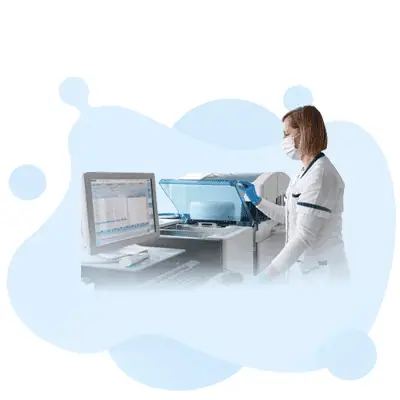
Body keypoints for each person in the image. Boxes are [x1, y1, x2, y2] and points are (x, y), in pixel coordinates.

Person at [239, 105, 349, 282]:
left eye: (287, 134)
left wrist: (267, 275)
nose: (284, 140)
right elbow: (291, 216)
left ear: (304, 133)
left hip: (323, 274)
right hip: (307, 270)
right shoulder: (303, 172)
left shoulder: (320, 175)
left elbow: (304, 236)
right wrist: (257, 201)